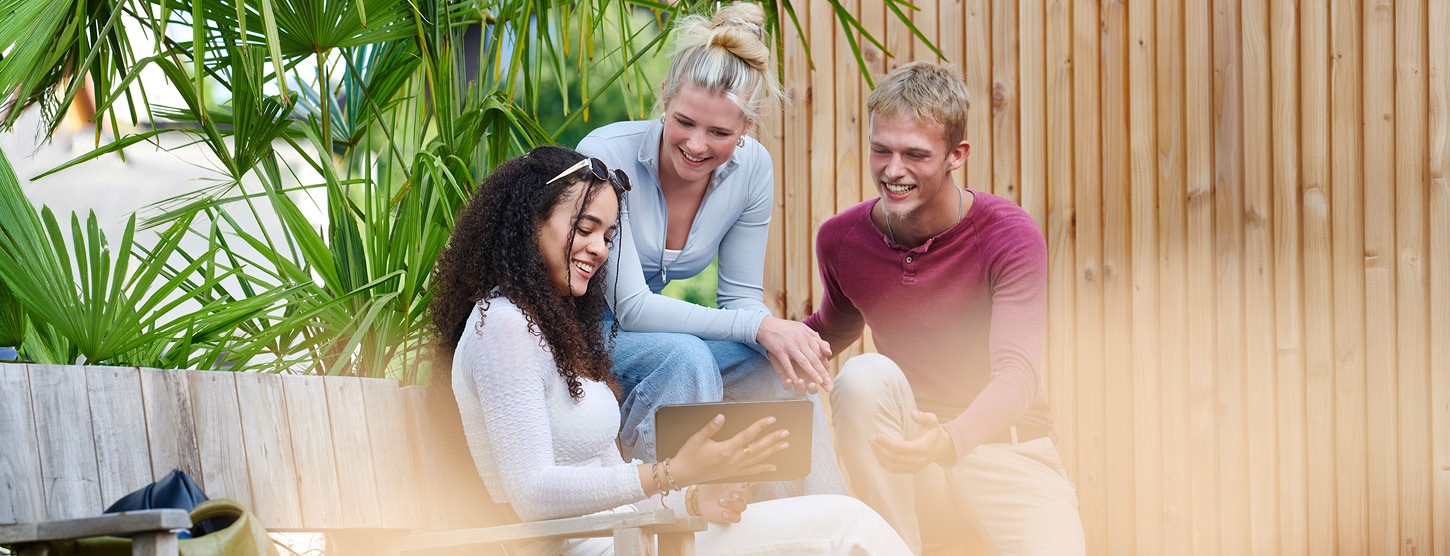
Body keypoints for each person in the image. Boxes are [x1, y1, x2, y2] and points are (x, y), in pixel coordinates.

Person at [428, 145, 911, 556]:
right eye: (584, 227)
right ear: (527, 222)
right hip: (600, 547)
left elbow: (610, 482)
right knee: (848, 527)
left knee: (844, 525)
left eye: (608, 236)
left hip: (631, 536)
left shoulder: (549, 328)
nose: (598, 248)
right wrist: (671, 474)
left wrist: (694, 501)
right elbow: (532, 492)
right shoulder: (503, 326)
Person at [803, 62, 1086, 555]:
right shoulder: (841, 240)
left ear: (957, 155)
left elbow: (1018, 375)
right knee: (862, 376)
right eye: (881, 150)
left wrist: (951, 439)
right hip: (911, 459)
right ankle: (896, 548)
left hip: (1009, 450)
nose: (892, 171)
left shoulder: (1008, 234)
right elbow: (826, 332)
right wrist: (746, 340)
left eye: (915, 154)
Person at [576, 2, 843, 497]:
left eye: (720, 132)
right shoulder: (606, 154)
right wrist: (760, 325)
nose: (696, 145)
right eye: (684, 122)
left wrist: (780, 340)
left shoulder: (754, 170)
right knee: (685, 358)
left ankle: (822, 523)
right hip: (577, 328)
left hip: (641, 336)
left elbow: (741, 297)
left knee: (778, 367)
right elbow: (630, 309)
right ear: (663, 98)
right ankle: (676, 523)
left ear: (747, 128)